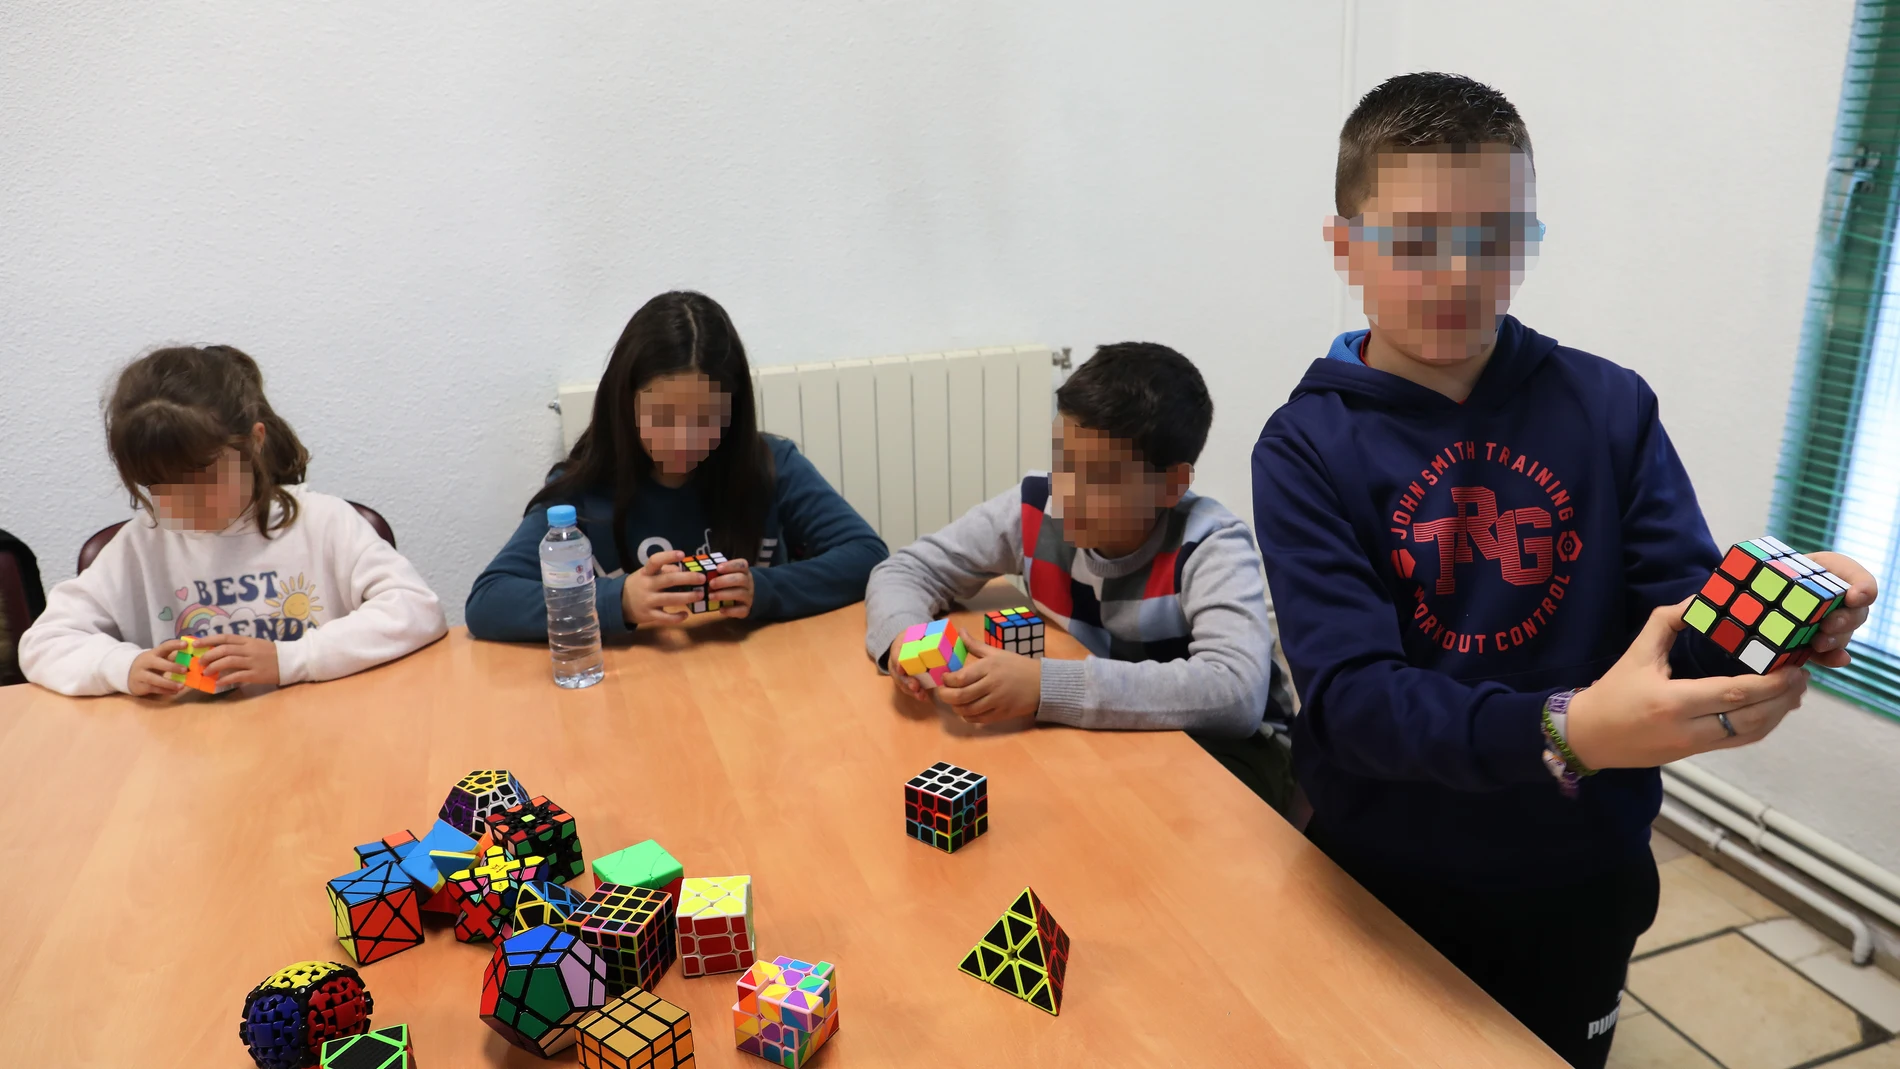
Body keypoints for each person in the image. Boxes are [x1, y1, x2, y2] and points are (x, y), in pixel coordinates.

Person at [1250, 72, 1880, 1068]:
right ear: (1345, 245)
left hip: (1579, 873)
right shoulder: (1302, 447)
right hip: (1386, 873)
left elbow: (1676, 617)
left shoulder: (1608, 405)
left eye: (1493, 237)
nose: (1457, 276)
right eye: (1415, 241)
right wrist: (1564, 728)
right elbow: (1354, 703)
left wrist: (1788, 610)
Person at [866, 342, 1296, 770]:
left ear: (1173, 485)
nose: (1068, 494)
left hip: (1233, 754)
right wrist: (902, 636)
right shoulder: (1034, 506)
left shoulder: (1212, 544)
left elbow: (1236, 694)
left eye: (1102, 479)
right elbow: (907, 569)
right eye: (1064, 462)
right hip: (1114, 732)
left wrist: (1045, 686)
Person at [21, 345, 447, 696]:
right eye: (158, 487)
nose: (183, 505)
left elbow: (417, 610)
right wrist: (120, 665)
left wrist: (291, 659)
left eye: (203, 479)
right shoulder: (140, 546)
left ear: (254, 443)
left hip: (323, 739)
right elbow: (43, 643)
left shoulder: (323, 522)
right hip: (194, 755)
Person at [466, 290, 887, 639]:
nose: (685, 440)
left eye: (707, 419)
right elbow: (488, 602)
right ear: (625, 405)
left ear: (735, 411)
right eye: (663, 418)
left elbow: (866, 554)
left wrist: (764, 590)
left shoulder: (771, 465)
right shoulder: (582, 492)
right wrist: (619, 601)